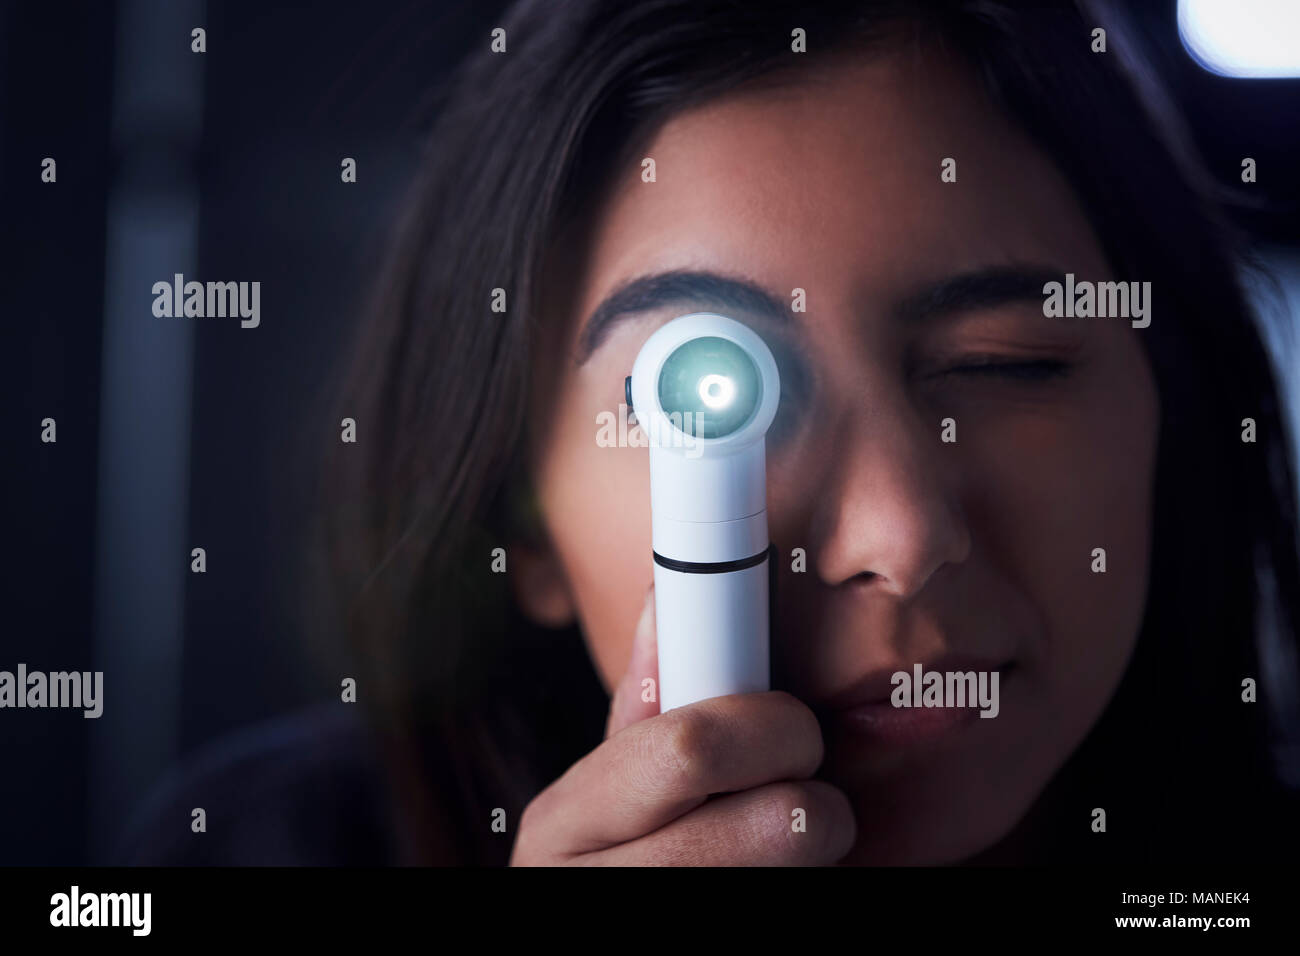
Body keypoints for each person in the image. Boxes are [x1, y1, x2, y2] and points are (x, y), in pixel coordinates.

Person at [126, 0, 1300, 866]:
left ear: (1172, 404)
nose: (900, 533)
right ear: (517, 522)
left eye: (1005, 364)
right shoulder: (262, 843)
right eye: (702, 391)